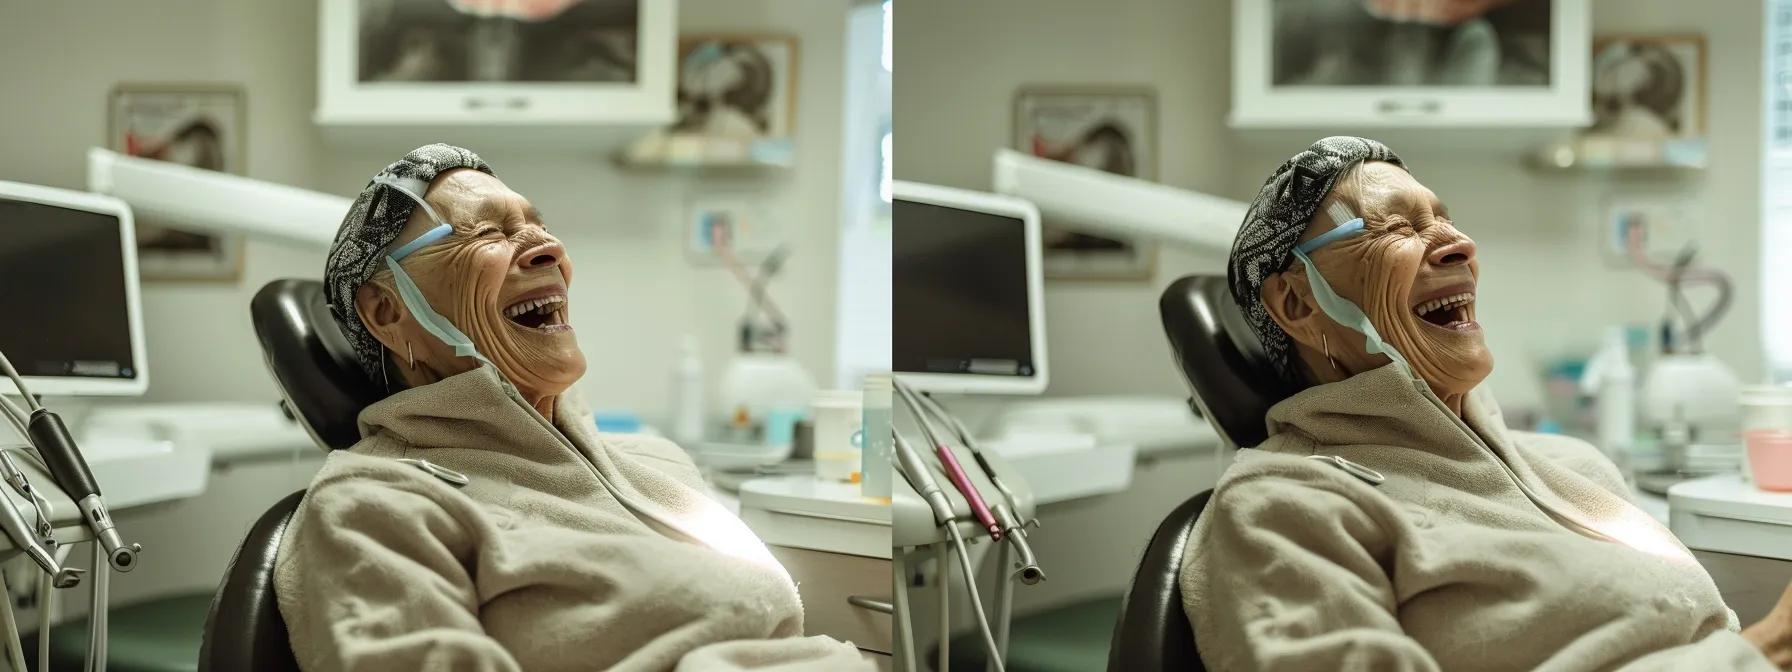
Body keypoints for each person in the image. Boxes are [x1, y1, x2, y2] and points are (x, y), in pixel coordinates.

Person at [1181, 136, 1792, 670]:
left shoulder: (1573, 467)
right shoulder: (1283, 507)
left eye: (1445, 220)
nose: (1458, 245)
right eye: (1396, 227)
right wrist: (1758, 656)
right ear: (1296, 304)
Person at [274, 144, 872, 671]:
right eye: (486, 233)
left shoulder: (655, 463)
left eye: (538, 226)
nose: (548, 249)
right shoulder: (377, 504)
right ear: (386, 312)